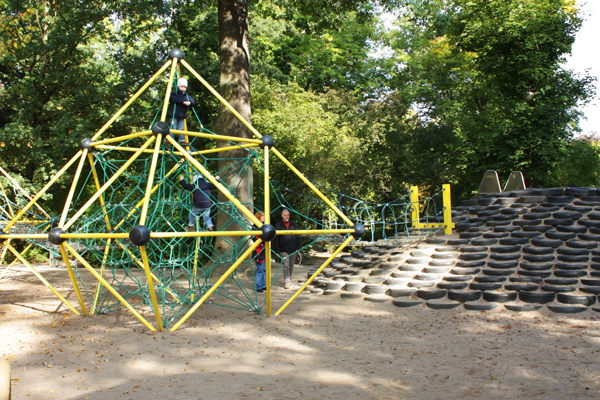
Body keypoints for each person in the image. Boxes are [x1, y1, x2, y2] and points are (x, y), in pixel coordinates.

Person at [272, 209, 302, 289]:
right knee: (286, 265)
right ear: (282, 216)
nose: (287, 216)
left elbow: (298, 236)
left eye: (288, 215)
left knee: (291, 265)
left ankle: (289, 278)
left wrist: (299, 248)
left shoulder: (293, 224)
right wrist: (277, 251)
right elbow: (276, 239)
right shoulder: (278, 225)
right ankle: (287, 281)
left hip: (293, 248)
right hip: (283, 249)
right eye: (285, 215)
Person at [167, 78, 195, 145]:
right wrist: (183, 102)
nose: (183, 88)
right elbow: (174, 99)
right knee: (173, 127)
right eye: (182, 87)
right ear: (178, 86)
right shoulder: (175, 94)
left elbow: (193, 101)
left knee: (181, 128)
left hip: (182, 115)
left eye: (184, 87)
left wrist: (189, 103)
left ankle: (182, 140)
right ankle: (170, 139)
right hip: (175, 114)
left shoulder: (186, 95)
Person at [253, 211, 266, 292]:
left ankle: (263, 284)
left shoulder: (264, 226)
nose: (264, 217)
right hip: (259, 249)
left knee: (264, 269)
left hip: (264, 248)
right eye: (262, 216)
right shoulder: (255, 227)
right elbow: (253, 238)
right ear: (259, 217)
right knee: (260, 269)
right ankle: (259, 286)